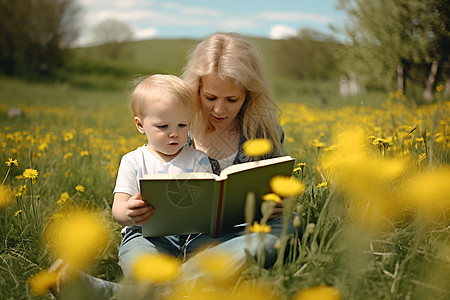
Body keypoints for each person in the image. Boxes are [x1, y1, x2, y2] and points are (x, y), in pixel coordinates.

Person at [50, 32, 298, 299]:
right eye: (211, 97)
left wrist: (281, 203)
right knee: (141, 260)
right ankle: (190, 284)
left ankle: (132, 291)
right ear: (198, 88)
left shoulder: (263, 132)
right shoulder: (179, 122)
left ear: (249, 95)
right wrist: (132, 212)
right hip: (154, 237)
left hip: (223, 238)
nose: (219, 110)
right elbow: (121, 207)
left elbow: (275, 185)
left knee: (289, 225)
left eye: (232, 100)